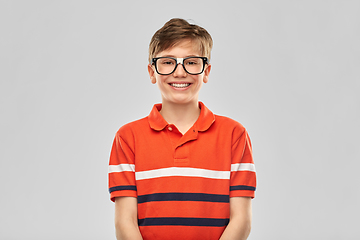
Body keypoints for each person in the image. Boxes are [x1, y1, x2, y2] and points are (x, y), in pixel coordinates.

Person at [108, 18, 256, 240]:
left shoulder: (235, 134)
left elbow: (241, 220)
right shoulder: (127, 137)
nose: (179, 72)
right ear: (151, 72)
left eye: (191, 62)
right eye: (167, 62)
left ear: (206, 71)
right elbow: (124, 222)